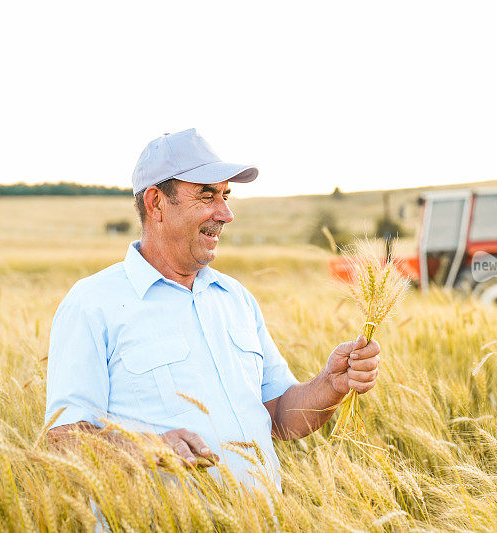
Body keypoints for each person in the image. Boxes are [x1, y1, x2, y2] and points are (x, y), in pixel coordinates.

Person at [44, 128, 381, 489]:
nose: (226, 213)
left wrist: (330, 384)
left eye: (225, 196)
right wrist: (147, 449)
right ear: (156, 203)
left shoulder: (235, 299)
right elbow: (64, 440)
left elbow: (280, 415)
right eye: (207, 196)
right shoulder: (92, 304)